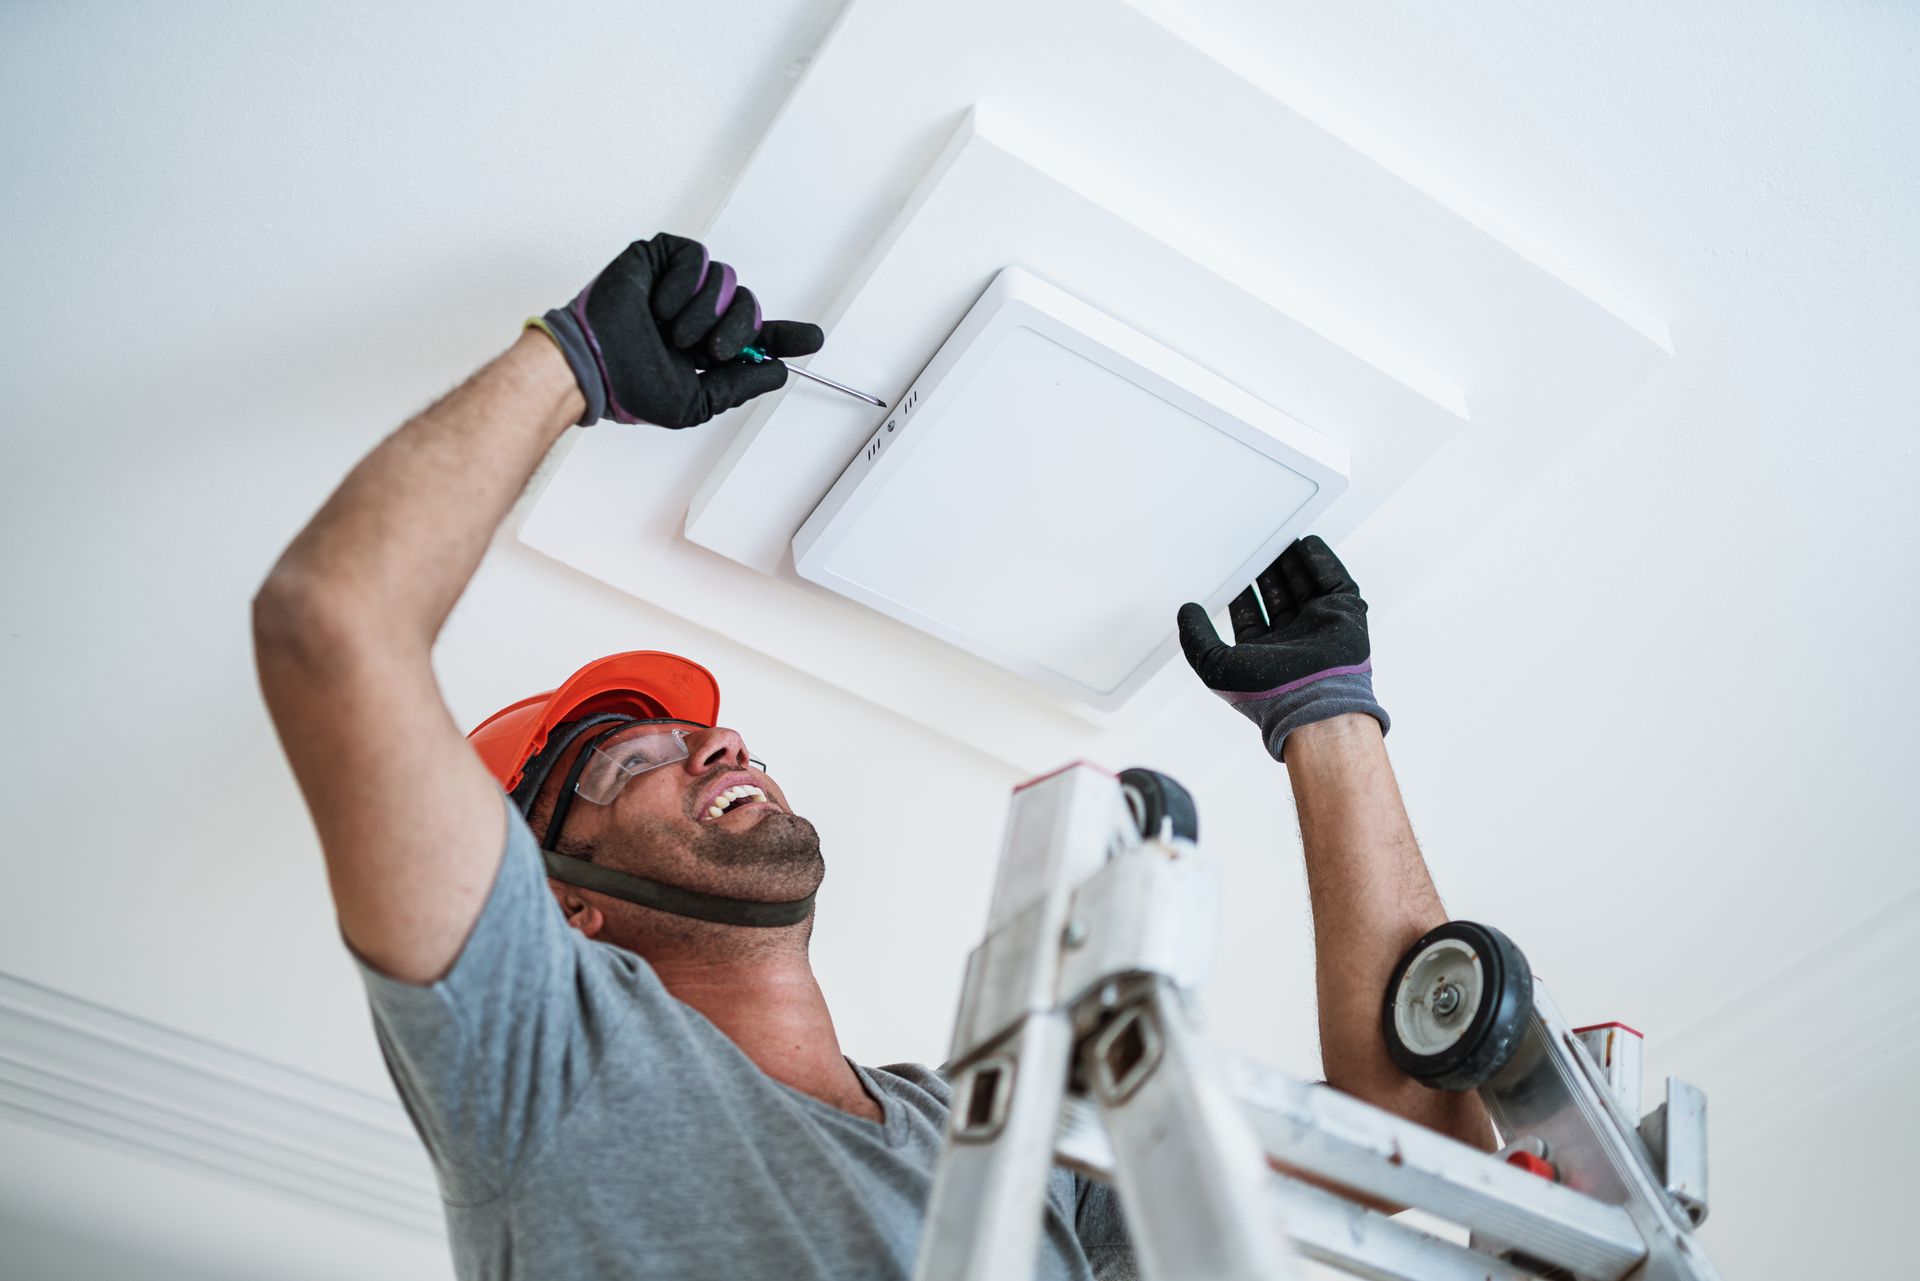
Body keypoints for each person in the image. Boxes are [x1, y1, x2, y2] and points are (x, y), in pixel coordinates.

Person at [252, 233, 1491, 1280]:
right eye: (631, 760)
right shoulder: (552, 1066)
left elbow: (1416, 1169)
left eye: (706, 732)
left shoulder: (1004, 1133)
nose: (716, 742)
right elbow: (332, 627)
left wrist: (1327, 724)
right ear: (565, 904)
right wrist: (571, 364)